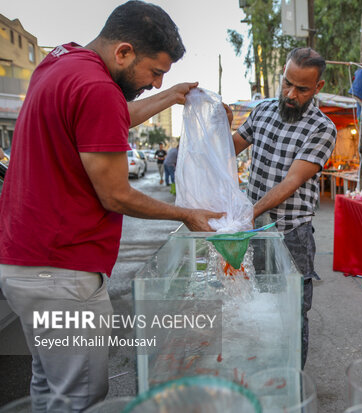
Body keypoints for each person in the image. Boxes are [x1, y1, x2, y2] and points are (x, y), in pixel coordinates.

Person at [0, 1, 225, 410]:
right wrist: (186, 213)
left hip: (24, 263)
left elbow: (111, 115)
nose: (155, 84)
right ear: (123, 52)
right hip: (62, 274)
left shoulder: (62, 62)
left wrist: (173, 96)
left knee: (49, 385)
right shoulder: (98, 88)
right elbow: (115, 194)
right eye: (155, 73)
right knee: (80, 396)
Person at [232, 47, 337, 369]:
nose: (290, 94)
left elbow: (292, 182)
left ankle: (291, 383)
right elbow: (228, 147)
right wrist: (212, 126)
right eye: (286, 84)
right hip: (255, 229)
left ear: (318, 88)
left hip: (292, 233)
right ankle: (265, 371)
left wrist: (249, 212)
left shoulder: (323, 128)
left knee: (292, 310)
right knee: (258, 303)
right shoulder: (262, 110)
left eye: (301, 89)